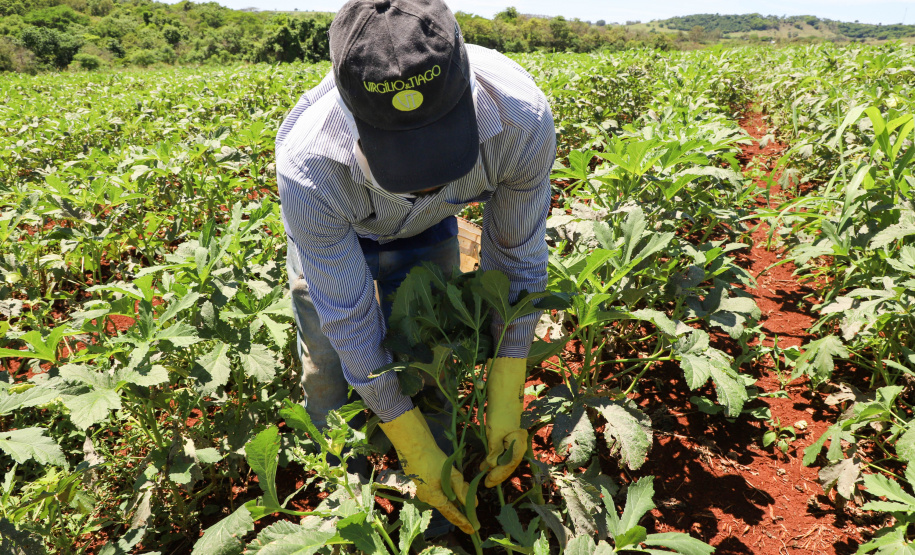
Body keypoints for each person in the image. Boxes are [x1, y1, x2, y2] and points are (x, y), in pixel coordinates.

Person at [275, 0, 555, 535]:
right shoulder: (310, 164)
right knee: (330, 373)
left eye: (439, 147)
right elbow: (350, 317)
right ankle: (347, 497)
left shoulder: (522, 118)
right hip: (340, 231)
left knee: (431, 363)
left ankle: (439, 512)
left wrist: (507, 380)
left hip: (431, 232)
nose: (426, 179)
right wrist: (408, 439)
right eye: (403, 155)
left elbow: (516, 260)